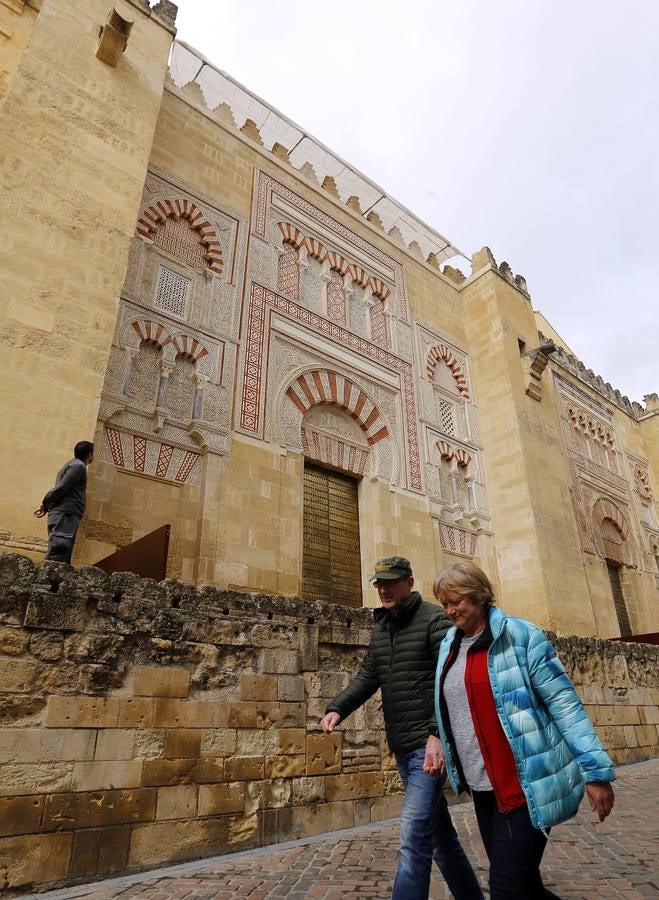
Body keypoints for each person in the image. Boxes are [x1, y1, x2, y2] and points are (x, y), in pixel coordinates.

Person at [433, 561, 615, 900]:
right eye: (444, 603)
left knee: (505, 890)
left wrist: (595, 771)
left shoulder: (521, 636)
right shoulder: (449, 645)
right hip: (482, 787)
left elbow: (564, 704)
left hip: (526, 784)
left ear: (480, 595)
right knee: (526, 888)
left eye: (456, 600)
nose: (450, 609)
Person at [320, 556, 484, 900]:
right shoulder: (383, 625)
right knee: (441, 839)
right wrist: (338, 708)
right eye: (379, 583)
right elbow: (370, 674)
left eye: (391, 582)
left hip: (427, 749)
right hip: (403, 747)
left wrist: (437, 733)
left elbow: (450, 677)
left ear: (409, 583)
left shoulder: (433, 618)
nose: (383, 589)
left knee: (413, 837)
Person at [34, 441, 94, 564]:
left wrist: (47, 506)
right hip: (66, 513)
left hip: (62, 512)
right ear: (89, 454)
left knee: (59, 547)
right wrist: (45, 503)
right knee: (60, 549)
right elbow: (62, 487)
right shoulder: (78, 466)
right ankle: (49, 580)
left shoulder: (71, 464)